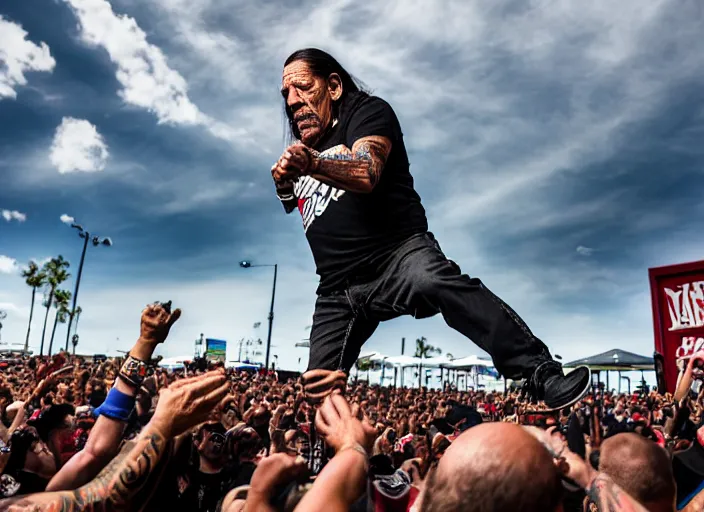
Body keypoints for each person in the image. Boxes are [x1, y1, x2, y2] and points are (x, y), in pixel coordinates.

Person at [271, 47, 590, 410]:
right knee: (318, 390)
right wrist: (285, 183)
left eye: (302, 87)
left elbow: (367, 170)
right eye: (286, 95)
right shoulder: (302, 153)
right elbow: (292, 203)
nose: (293, 102)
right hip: (337, 291)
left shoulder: (367, 113)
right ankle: (334, 461)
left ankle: (540, 373)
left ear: (333, 86)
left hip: (397, 257)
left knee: (436, 281)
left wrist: (311, 163)